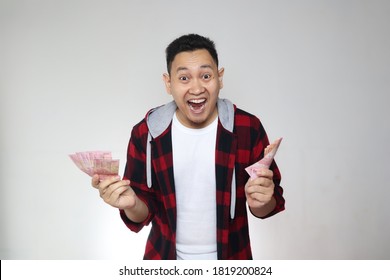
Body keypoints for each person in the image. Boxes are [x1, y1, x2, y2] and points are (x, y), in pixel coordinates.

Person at [91, 34, 285, 260]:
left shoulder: (246, 127)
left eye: (205, 75)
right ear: (168, 83)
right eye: (184, 78)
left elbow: (268, 205)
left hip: (233, 260)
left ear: (219, 78)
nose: (196, 88)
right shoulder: (146, 132)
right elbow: (140, 215)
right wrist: (131, 203)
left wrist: (261, 200)